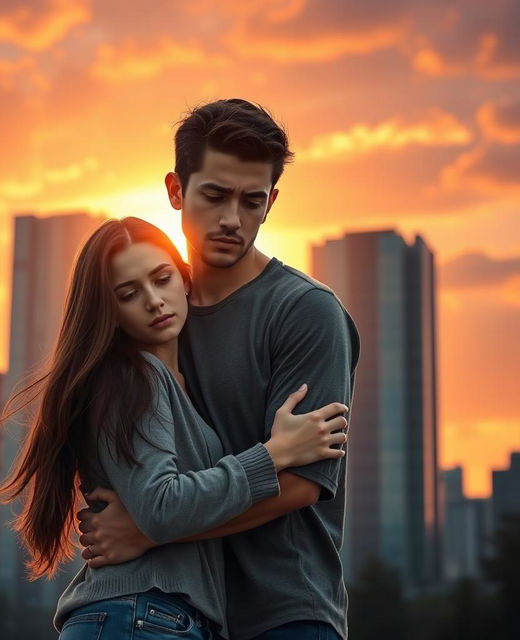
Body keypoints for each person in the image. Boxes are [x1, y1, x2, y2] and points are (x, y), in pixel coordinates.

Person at [77, 99, 361, 640]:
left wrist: (151, 533)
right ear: (175, 191)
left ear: (271, 202)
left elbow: (301, 483)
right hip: (186, 612)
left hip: (286, 611)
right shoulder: (160, 318)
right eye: (214, 196)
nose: (233, 219)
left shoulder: (306, 312)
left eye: (252, 201)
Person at [0, 216, 350, 639]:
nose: (154, 301)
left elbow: (159, 512)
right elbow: (161, 505)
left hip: (152, 618)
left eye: (162, 279)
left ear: (184, 280)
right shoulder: (132, 377)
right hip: (140, 615)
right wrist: (274, 455)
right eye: (129, 294)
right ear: (111, 314)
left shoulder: (174, 385)